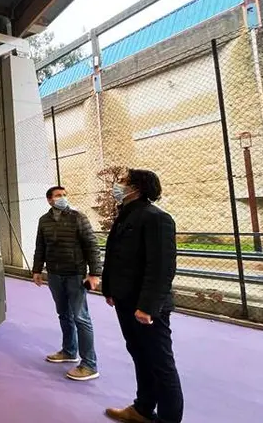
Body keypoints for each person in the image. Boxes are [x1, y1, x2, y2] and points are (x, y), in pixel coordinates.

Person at [102, 169, 183, 423]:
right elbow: (116, 258)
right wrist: (110, 290)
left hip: (146, 307)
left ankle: (169, 419)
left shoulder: (156, 218)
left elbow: (161, 267)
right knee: (139, 354)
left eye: (124, 182)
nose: (119, 185)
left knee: (160, 363)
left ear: (136, 188)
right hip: (126, 301)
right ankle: (143, 408)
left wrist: (148, 306)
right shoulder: (125, 217)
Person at [32, 186, 101, 381]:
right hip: (54, 275)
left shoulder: (78, 217)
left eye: (64, 195)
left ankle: (89, 364)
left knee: (81, 317)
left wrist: (95, 273)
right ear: (49, 200)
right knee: (64, 314)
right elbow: (40, 247)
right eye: (58, 196)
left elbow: (92, 245)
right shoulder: (44, 221)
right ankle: (69, 351)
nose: (62, 198)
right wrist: (37, 270)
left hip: (75, 275)